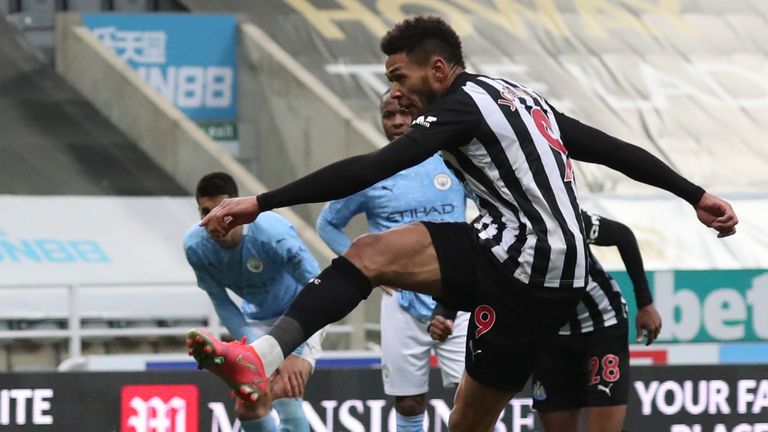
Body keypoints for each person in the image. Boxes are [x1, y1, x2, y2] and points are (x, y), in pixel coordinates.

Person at [188, 16, 738, 431]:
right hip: (525, 260)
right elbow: (610, 147)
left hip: (526, 266)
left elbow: (372, 167)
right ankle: (256, 357)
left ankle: (259, 356)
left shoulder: (459, 108)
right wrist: (693, 194)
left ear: (437, 69)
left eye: (399, 77)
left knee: (375, 260)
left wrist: (260, 201)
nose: (395, 91)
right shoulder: (519, 96)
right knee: (456, 406)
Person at [315, 91, 469, 431]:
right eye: (389, 115)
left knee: (470, 397)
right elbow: (327, 224)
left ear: (420, 113)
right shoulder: (371, 172)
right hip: (401, 301)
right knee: (409, 400)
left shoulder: (452, 162)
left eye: (403, 113)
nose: (397, 121)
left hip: (458, 298)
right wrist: (371, 269)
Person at [428, 209, 662, 431]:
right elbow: (469, 274)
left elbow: (622, 235)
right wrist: (444, 313)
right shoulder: (486, 232)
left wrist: (645, 303)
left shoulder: (562, 218)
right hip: (548, 335)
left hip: (602, 328)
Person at [184, 172, 324, 432]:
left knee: (283, 392)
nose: (214, 222)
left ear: (236, 207)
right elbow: (222, 303)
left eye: (221, 212)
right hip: (257, 320)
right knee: (249, 406)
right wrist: (255, 352)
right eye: (206, 212)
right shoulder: (195, 247)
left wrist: (294, 350)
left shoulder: (272, 232)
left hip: (304, 313)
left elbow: (318, 286)